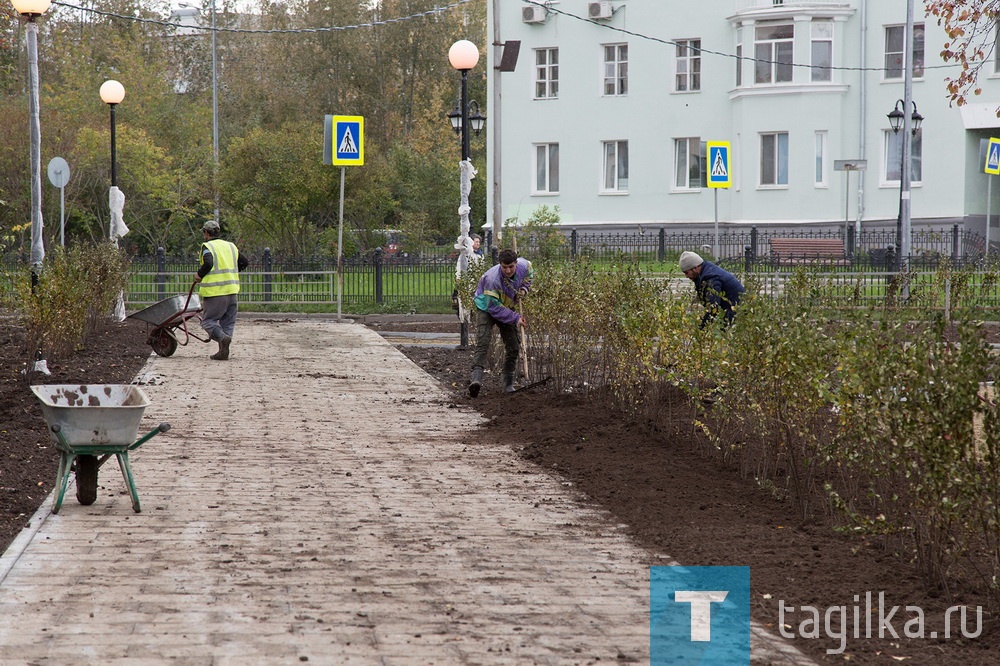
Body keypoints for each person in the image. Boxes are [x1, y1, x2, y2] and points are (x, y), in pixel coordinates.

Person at [469, 249, 532, 397]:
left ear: (516, 263)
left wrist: (524, 288)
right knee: (483, 342)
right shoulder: (492, 279)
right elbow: (494, 308)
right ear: (500, 264)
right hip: (486, 306)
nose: (508, 270)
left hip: (506, 305)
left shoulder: (524, 266)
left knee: (514, 345)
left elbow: (530, 275)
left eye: (511, 266)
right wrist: (516, 318)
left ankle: (508, 383)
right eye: (504, 267)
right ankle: (476, 380)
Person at [194, 220, 249, 360]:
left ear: (206, 232)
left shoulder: (207, 247)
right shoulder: (231, 246)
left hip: (215, 292)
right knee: (228, 322)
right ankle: (223, 351)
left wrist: (199, 275)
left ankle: (222, 338)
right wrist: (231, 274)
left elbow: (208, 262)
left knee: (208, 322)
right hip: (232, 291)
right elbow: (244, 262)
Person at [679, 250, 745, 329]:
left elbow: (714, 307)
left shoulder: (711, 279)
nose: (686, 276)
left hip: (738, 313)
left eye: (686, 272)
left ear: (695, 268)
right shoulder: (706, 270)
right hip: (735, 310)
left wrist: (702, 329)